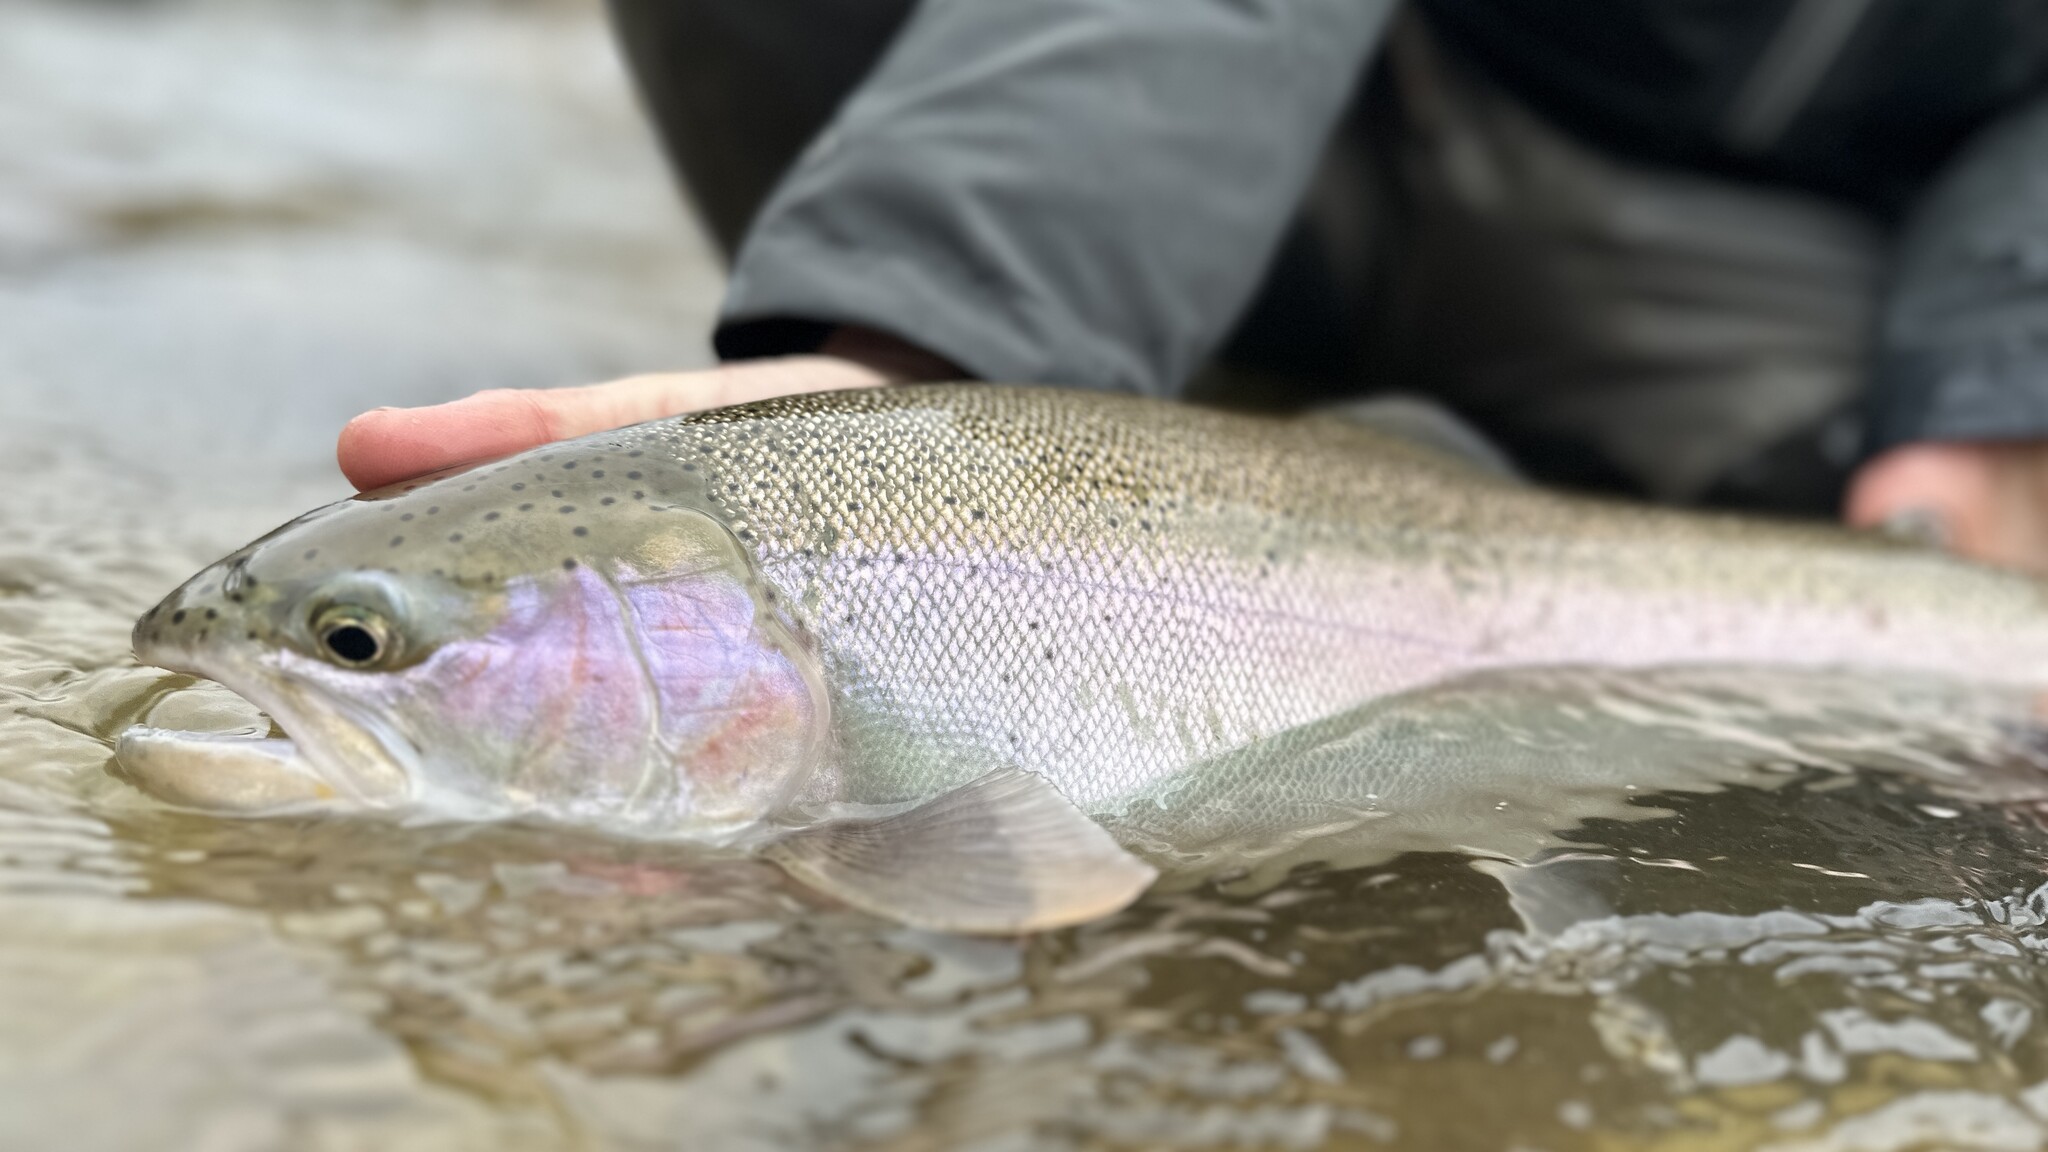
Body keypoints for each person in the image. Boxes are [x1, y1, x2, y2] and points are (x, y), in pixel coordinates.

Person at [339, 0, 2048, 573]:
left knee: (1861, 565)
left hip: (1791, 235)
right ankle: (1046, 379)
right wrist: (941, 335)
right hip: (1310, 73)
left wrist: (2004, 390)